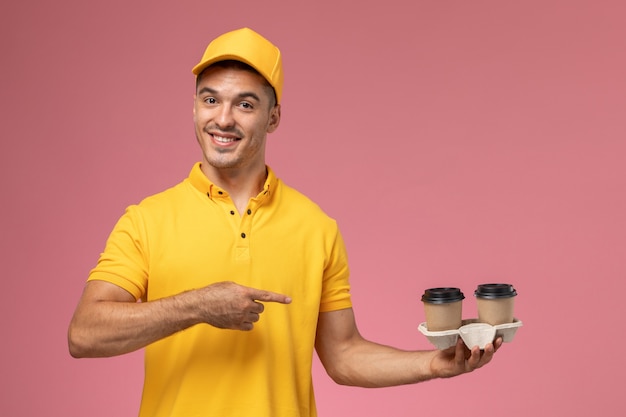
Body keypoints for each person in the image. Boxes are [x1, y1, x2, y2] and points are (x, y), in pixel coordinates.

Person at [68, 27, 502, 417]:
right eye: (211, 98)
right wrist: (198, 306)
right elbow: (85, 334)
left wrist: (433, 364)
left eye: (245, 104)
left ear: (273, 117)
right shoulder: (147, 220)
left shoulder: (316, 227)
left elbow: (344, 354)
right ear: (195, 108)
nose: (223, 118)